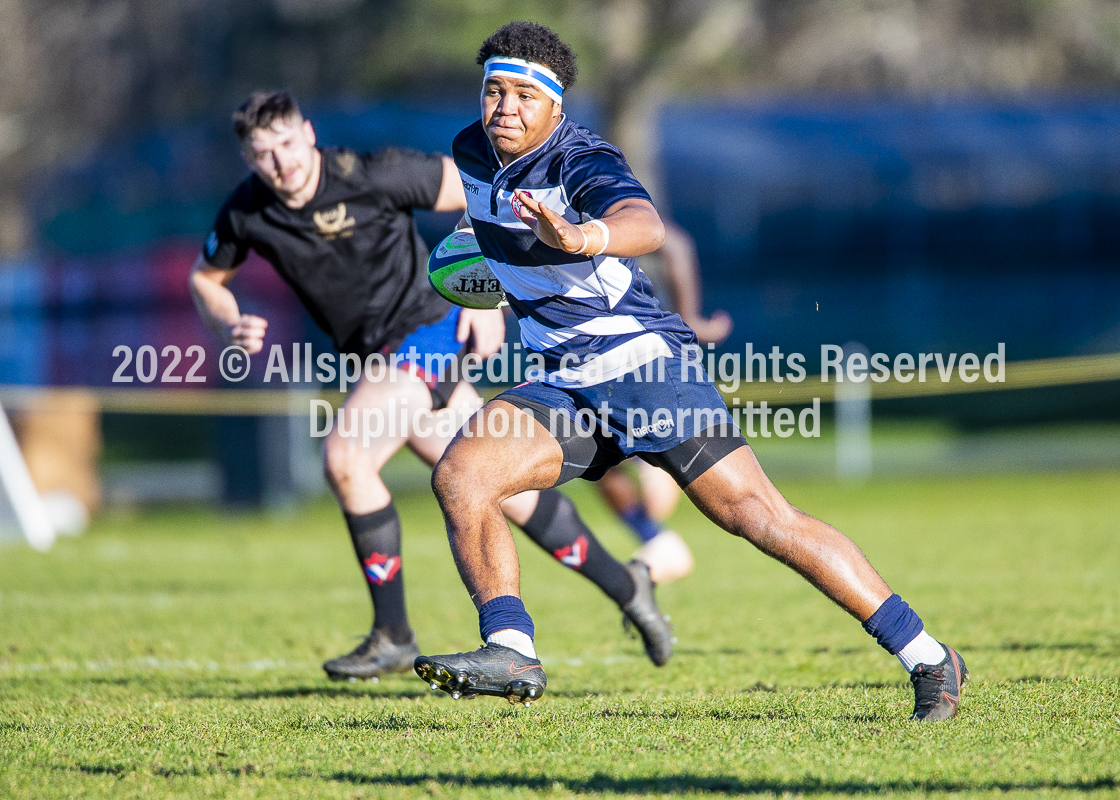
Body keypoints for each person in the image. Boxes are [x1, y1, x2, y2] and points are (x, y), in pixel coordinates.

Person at [414, 22, 968, 722]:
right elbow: (491, 233)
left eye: (526, 95)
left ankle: (927, 655)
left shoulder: (582, 159)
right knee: (464, 475)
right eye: (495, 91)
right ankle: (511, 649)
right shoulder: (471, 151)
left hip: (645, 367)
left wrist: (583, 236)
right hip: (563, 380)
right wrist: (487, 278)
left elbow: (642, 222)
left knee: (758, 518)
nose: (506, 108)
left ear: (557, 107)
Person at [189, 90, 674, 682]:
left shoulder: (373, 173)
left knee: (346, 456)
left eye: (286, 145)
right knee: (500, 489)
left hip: (430, 330)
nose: (280, 164)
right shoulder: (247, 210)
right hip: (377, 359)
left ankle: (392, 633)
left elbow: (484, 193)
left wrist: (487, 292)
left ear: (308, 134)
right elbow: (207, 280)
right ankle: (629, 587)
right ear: (248, 158)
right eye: (262, 154)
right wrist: (227, 320)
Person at [599, 221, 733, 583]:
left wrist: (689, 320)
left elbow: (676, 244)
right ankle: (655, 538)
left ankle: (654, 535)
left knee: (650, 458)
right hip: (594, 356)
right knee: (596, 457)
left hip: (636, 352)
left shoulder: (598, 201)